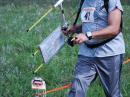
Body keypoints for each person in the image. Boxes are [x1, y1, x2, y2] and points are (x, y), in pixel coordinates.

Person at [63, 0, 125, 97]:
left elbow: (114, 28)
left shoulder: (111, 1)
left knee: (113, 94)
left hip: (109, 52)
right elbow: (91, 23)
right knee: (76, 89)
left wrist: (88, 35)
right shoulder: (85, 1)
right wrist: (75, 29)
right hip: (86, 52)